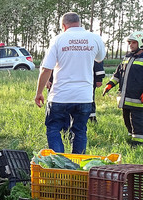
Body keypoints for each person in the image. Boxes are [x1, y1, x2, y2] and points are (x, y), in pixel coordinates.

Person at [35, 12, 105, 154]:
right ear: (80, 23)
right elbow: (99, 58)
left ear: (63, 26)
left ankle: (59, 163)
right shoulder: (94, 38)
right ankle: (76, 166)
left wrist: (39, 92)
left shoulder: (58, 40)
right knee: (80, 131)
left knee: (53, 128)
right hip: (84, 96)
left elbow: (46, 69)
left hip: (60, 95)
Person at [102, 31, 143, 146]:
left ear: (141, 43)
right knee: (127, 120)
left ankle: (137, 144)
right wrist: (110, 84)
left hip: (138, 98)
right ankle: (130, 139)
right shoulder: (127, 57)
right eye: (129, 43)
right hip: (125, 98)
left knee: (137, 121)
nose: (131, 45)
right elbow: (118, 74)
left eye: (133, 43)